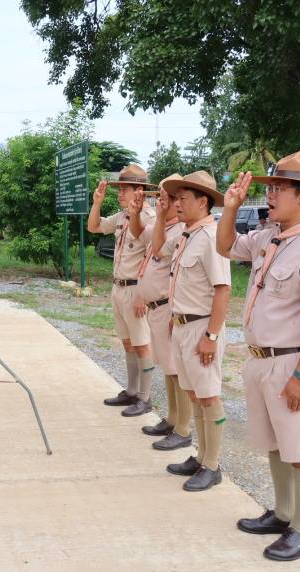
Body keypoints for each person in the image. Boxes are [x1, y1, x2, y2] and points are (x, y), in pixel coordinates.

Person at [217, 150, 300, 562]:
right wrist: (231, 207)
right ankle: (283, 513)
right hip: (261, 360)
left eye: (278, 188)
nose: (270, 195)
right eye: (269, 187)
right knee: (275, 443)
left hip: (292, 362)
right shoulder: (270, 237)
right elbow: (225, 246)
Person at [160, 171, 231, 492]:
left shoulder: (212, 238)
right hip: (182, 326)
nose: (177, 204)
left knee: (209, 396)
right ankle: (201, 457)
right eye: (176, 199)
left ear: (203, 202)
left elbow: (223, 289)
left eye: (183, 199)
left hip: (202, 326)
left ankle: (212, 465)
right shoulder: (188, 235)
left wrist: (211, 336)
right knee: (194, 394)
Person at [87, 164, 157, 417]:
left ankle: (145, 397)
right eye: (119, 190)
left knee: (142, 344)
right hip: (118, 287)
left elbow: (152, 260)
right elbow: (94, 227)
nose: (119, 194)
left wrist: (142, 295)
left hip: (136, 289)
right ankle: (132, 391)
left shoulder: (150, 219)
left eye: (124, 189)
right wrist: (97, 203)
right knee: (128, 343)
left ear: (139, 191)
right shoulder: (121, 217)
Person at [134, 174, 194, 450]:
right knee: (168, 369)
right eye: (159, 196)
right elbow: (149, 242)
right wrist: (156, 217)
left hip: (168, 307)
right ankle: (172, 418)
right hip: (156, 309)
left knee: (177, 371)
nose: (160, 201)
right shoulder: (164, 227)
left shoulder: (182, 230)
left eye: (164, 197)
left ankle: (183, 428)